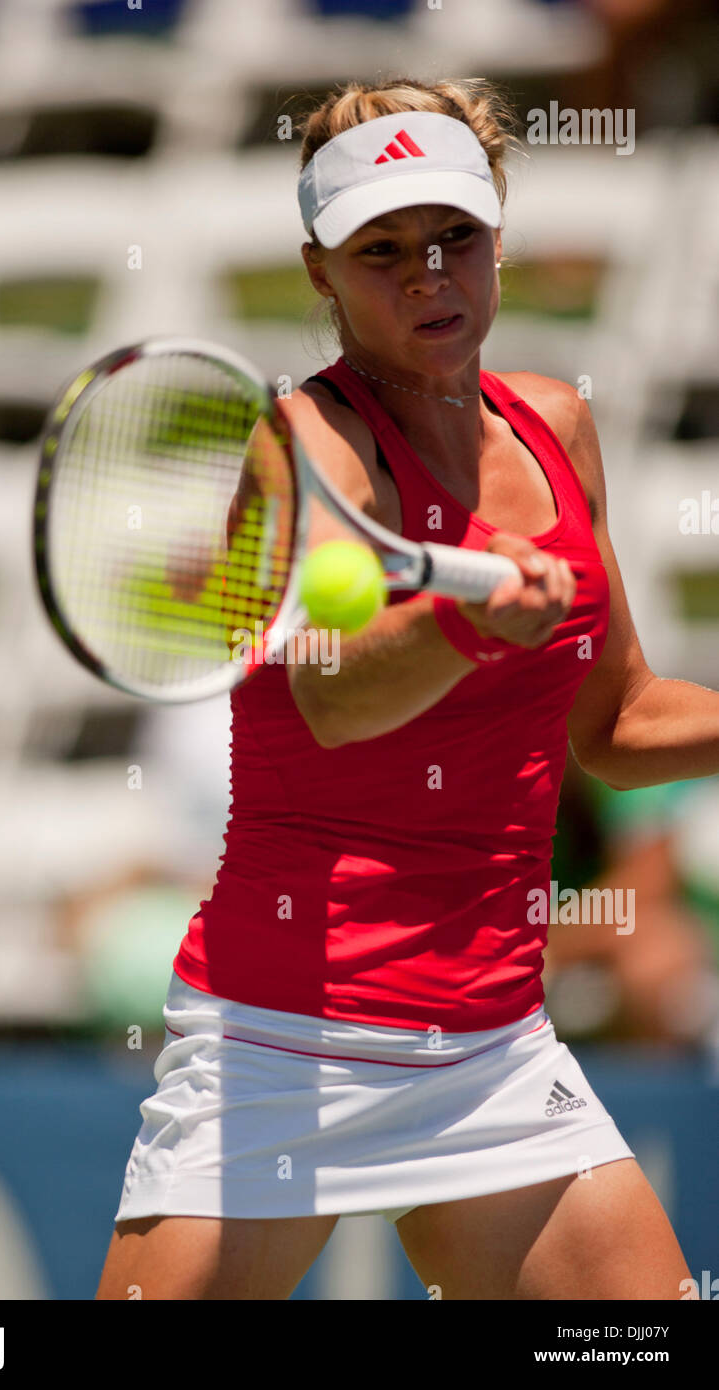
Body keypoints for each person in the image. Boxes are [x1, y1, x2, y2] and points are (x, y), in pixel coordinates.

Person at [96, 77, 716, 1301]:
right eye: (380, 251)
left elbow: (618, 722)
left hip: (490, 1046)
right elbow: (335, 692)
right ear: (320, 272)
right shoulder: (301, 443)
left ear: (497, 234)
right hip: (283, 1041)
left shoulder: (554, 427)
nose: (428, 274)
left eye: (454, 239)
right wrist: (465, 620)